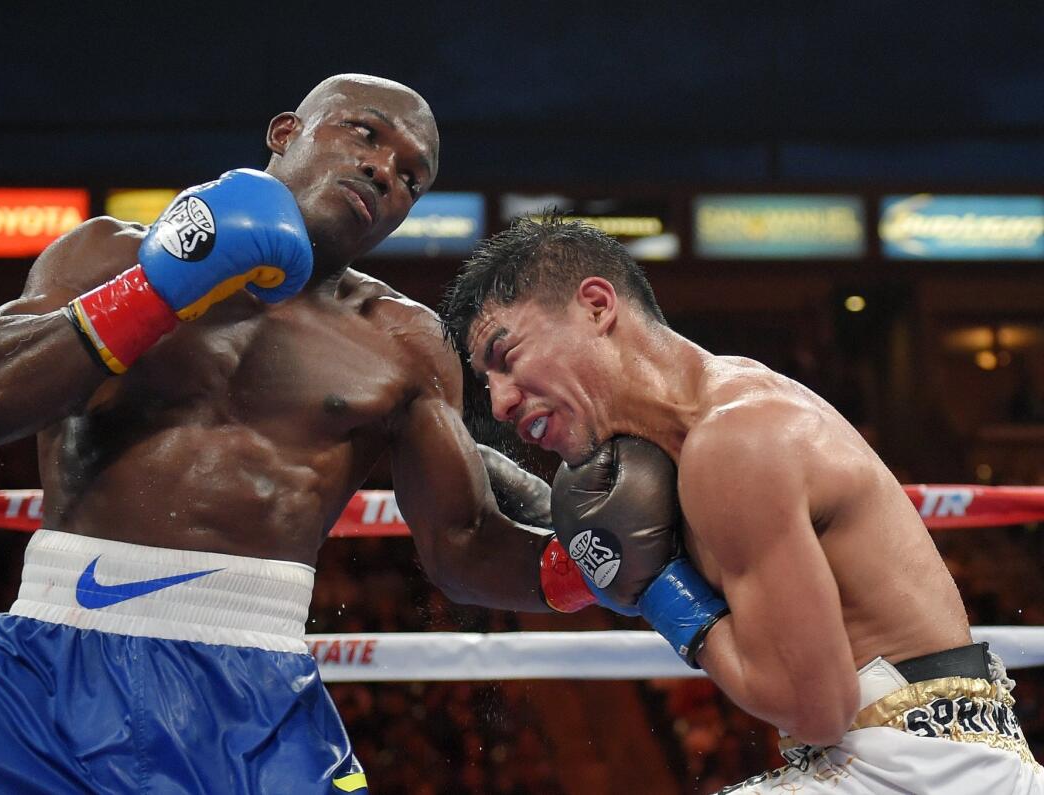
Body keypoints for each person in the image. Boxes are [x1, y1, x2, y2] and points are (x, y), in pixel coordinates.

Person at [0, 76, 602, 794]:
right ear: (286, 133)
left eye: (411, 176)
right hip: (42, 677)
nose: (384, 171)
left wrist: (594, 569)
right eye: (366, 135)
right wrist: (155, 291)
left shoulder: (406, 343)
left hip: (252, 699)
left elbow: (463, 544)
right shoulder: (108, 254)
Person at [441, 213, 1044, 793]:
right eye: (486, 380)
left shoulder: (735, 441)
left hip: (918, 770)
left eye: (506, 356)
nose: (498, 403)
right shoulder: (701, 431)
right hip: (927, 757)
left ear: (597, 306)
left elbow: (814, 709)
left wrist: (661, 591)